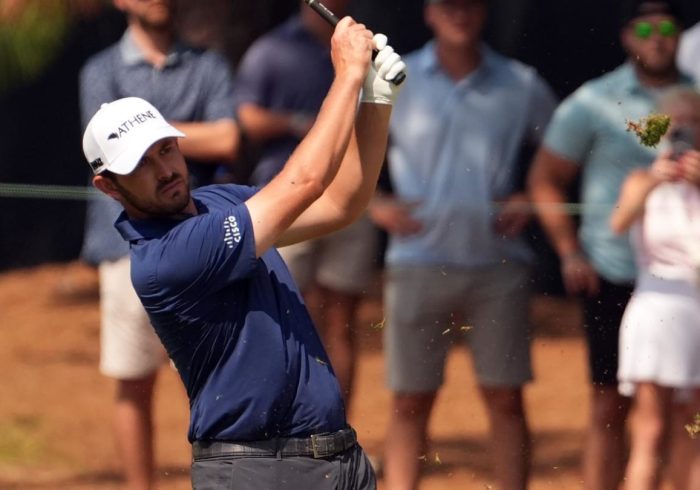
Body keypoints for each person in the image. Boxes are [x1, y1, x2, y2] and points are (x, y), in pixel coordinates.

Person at [81, 18, 406, 490]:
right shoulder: (164, 259)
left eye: (166, 150)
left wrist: (376, 101)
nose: (165, 170)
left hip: (338, 460)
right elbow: (307, 181)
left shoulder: (221, 201)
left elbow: (339, 203)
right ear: (108, 186)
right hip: (259, 472)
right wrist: (349, 76)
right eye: (140, 165)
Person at [368, 0, 557, 488]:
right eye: (448, 5)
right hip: (416, 263)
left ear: (484, 12)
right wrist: (373, 204)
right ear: (429, 12)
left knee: (506, 399)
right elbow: (348, 148)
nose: (460, 14)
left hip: (498, 265)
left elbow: (564, 149)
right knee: (409, 401)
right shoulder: (392, 76)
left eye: (470, 4)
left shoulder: (522, 83)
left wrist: (529, 192)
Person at [527, 1, 695, 488]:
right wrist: (569, 252)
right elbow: (545, 179)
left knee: (688, 415)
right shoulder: (594, 101)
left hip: (691, 284)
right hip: (614, 271)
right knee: (609, 404)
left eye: (667, 27)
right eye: (645, 27)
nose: (657, 37)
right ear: (626, 36)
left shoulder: (698, 97)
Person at [78, 0, 239, 488]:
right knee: (133, 383)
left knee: (220, 383)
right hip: (121, 248)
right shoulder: (99, 70)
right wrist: (169, 139)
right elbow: (104, 159)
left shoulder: (209, 64)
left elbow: (230, 139)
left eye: (166, 149)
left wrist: (142, 140)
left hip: (201, 246)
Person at [233, 0, 377, 407]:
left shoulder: (362, 44)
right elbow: (247, 118)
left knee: (340, 321)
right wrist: (299, 123)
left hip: (348, 195)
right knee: (280, 316)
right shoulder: (271, 49)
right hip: (287, 199)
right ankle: (284, 427)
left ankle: (337, 429)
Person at [610, 87, 700, 490]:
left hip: (696, 307)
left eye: (691, 124)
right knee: (650, 428)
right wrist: (654, 182)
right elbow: (618, 222)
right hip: (656, 307)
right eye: (673, 125)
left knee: (693, 431)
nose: (682, 132)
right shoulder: (640, 178)